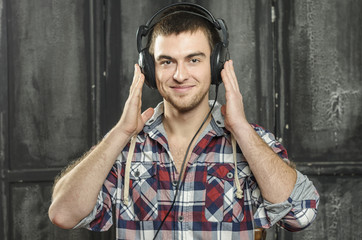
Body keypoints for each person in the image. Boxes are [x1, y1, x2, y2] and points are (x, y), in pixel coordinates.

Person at [48, 3, 319, 240]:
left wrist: (240, 127)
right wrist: (121, 131)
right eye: (166, 62)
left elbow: (301, 215)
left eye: (193, 59)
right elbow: (63, 214)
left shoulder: (251, 142)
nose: (180, 75)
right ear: (150, 70)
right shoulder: (125, 149)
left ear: (216, 65)